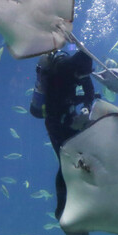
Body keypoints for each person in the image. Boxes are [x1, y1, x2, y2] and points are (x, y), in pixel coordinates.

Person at [29, 44, 96, 225]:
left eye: (86, 75)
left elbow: (89, 92)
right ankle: (62, 210)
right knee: (65, 162)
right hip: (55, 122)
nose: (83, 79)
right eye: (81, 75)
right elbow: (54, 107)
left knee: (82, 157)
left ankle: (82, 203)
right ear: (75, 69)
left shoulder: (81, 71)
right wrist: (72, 119)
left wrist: (86, 108)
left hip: (69, 115)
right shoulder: (59, 73)